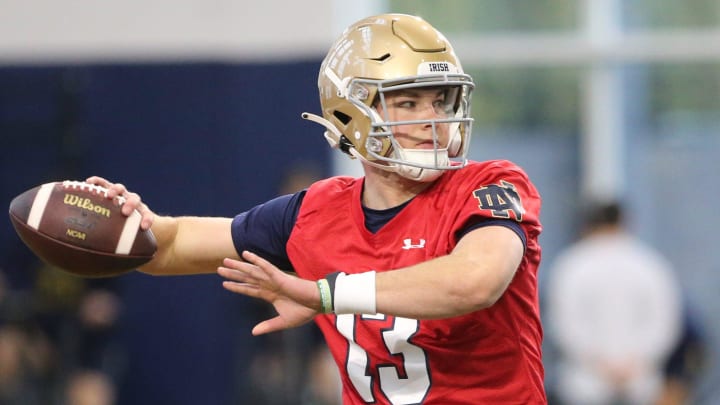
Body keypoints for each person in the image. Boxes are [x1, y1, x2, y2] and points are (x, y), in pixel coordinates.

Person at [87, 13, 545, 404]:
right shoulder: (316, 213)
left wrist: (325, 294)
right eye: (408, 102)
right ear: (351, 116)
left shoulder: (489, 183)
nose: (434, 122)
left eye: (441, 102)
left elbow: (473, 282)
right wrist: (137, 223)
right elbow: (172, 246)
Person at [545, 201, 683, 405]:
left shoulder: (571, 264)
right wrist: (635, 363)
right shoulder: (651, 265)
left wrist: (601, 364)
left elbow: (563, 324)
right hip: (639, 382)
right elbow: (664, 323)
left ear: (587, 225)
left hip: (585, 384)